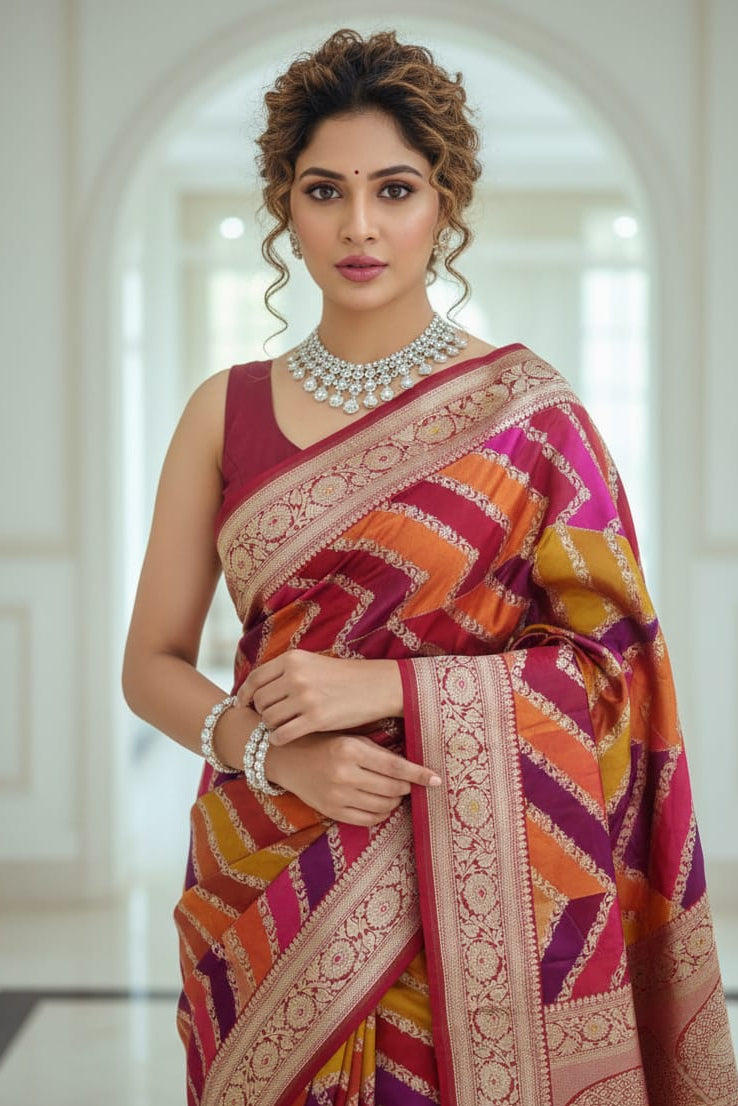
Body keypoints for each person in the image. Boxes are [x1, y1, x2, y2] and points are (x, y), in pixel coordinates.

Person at [122, 27, 737, 1106]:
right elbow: (152, 663)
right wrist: (270, 753)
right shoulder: (225, 411)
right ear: (286, 205)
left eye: (394, 189)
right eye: (325, 190)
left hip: (480, 895)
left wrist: (389, 688)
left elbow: (616, 671)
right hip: (263, 879)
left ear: (444, 204)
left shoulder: (527, 417)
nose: (359, 226)